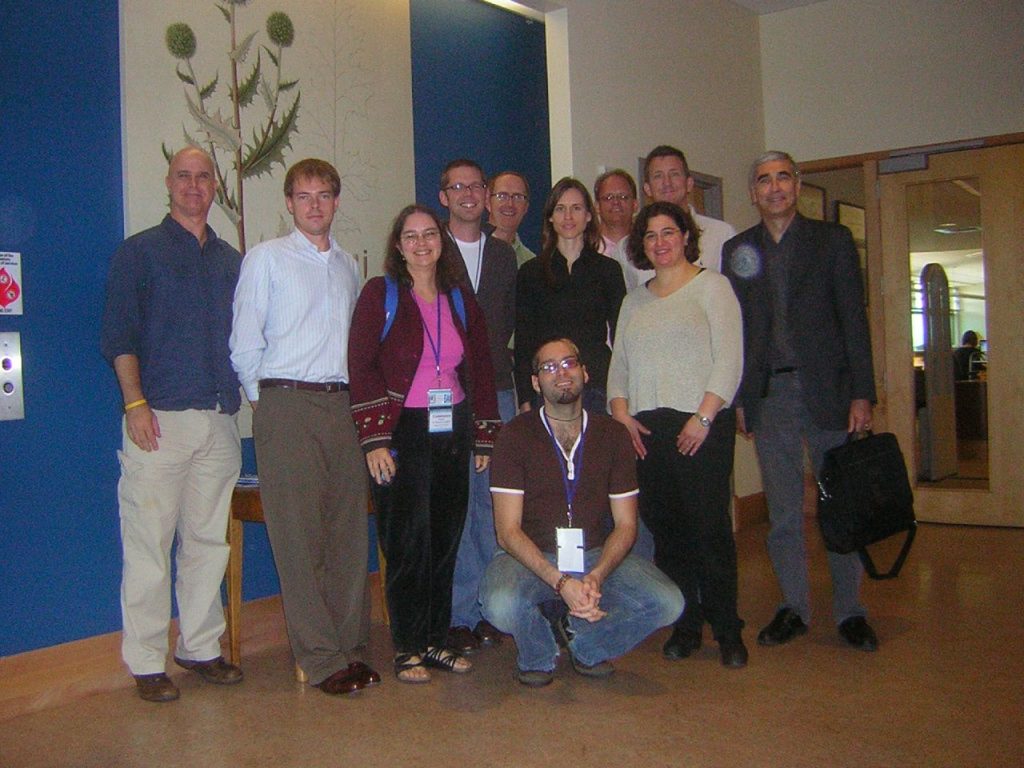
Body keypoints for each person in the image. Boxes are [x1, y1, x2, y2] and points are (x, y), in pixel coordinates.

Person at [229, 158, 379, 696]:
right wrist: (265, 405)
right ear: (289, 203)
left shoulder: (348, 268)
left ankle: (351, 648)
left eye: (324, 195)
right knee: (298, 537)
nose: (314, 204)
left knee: (347, 533)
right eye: (304, 195)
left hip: (343, 408)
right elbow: (244, 342)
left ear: (337, 202)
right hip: (285, 405)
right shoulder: (265, 260)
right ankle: (319, 659)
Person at [100, 146, 244, 703]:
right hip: (157, 420)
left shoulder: (232, 261)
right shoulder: (139, 254)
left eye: (202, 176)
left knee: (209, 544)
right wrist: (134, 405)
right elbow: (119, 336)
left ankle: (201, 646)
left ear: (215, 186)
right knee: (148, 544)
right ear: (168, 184)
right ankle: (145, 659)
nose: (193, 185)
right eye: (183, 176)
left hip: (219, 419)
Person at [723, 150, 879, 652]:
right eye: (764, 180)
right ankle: (794, 607)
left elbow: (854, 319)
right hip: (772, 397)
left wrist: (863, 392)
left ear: (798, 184)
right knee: (785, 513)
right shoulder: (738, 250)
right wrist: (743, 397)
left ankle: (851, 612)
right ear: (753, 193)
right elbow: (740, 332)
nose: (774, 188)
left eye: (783, 177)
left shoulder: (832, 241)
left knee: (840, 508)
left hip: (830, 391)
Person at [348, 204, 501, 683]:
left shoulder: (458, 296)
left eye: (429, 234)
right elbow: (361, 363)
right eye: (410, 236)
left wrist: (483, 437)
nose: (421, 243)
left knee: (445, 537)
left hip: (451, 427)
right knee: (406, 541)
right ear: (398, 245)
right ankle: (408, 646)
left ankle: (436, 641)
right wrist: (374, 439)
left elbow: (480, 364)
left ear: (442, 241)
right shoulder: (382, 293)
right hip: (401, 431)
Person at [481, 337, 683, 687]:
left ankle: (585, 643)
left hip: (593, 555)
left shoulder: (613, 435)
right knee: (498, 604)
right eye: (548, 367)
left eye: (569, 363)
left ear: (585, 373)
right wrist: (560, 582)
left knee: (668, 602)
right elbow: (507, 532)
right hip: (530, 559)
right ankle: (537, 654)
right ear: (535, 382)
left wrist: (596, 577)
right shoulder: (514, 437)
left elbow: (625, 525)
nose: (561, 373)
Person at [607, 202, 747, 668]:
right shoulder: (634, 300)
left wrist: (704, 418)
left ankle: (727, 628)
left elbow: (729, 360)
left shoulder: (714, 288)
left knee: (710, 531)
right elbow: (618, 369)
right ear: (641, 245)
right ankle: (686, 626)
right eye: (650, 235)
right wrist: (622, 416)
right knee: (669, 535)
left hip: (701, 427)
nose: (660, 242)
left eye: (669, 232)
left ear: (686, 236)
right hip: (649, 432)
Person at [438, 159, 518, 654]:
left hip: (500, 394)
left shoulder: (505, 257)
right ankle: (459, 614)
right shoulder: (429, 248)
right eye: (457, 187)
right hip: (445, 397)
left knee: (495, 503)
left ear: (487, 195)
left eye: (476, 186)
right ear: (443, 196)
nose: (468, 194)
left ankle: (494, 608)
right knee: (457, 505)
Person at [514, 177, 626, 414]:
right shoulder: (530, 272)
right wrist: (525, 397)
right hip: (548, 388)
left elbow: (621, 336)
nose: (568, 217)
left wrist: (622, 394)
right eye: (560, 209)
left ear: (588, 216)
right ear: (550, 217)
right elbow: (524, 341)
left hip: (597, 385)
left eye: (576, 208)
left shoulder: (608, 270)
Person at [642, 144, 737, 276]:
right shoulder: (628, 247)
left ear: (689, 184)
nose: (667, 182)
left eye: (674, 174)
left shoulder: (722, 235)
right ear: (647, 188)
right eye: (658, 176)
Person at [594, 168, 640, 282]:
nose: (616, 202)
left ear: (635, 205)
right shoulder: (585, 249)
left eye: (623, 197)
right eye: (608, 197)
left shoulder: (649, 247)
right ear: (597, 206)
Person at [487, 170, 536, 267]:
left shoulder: (530, 262)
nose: (510, 204)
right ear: (487, 202)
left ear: (526, 207)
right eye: (502, 196)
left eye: (518, 197)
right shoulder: (469, 249)